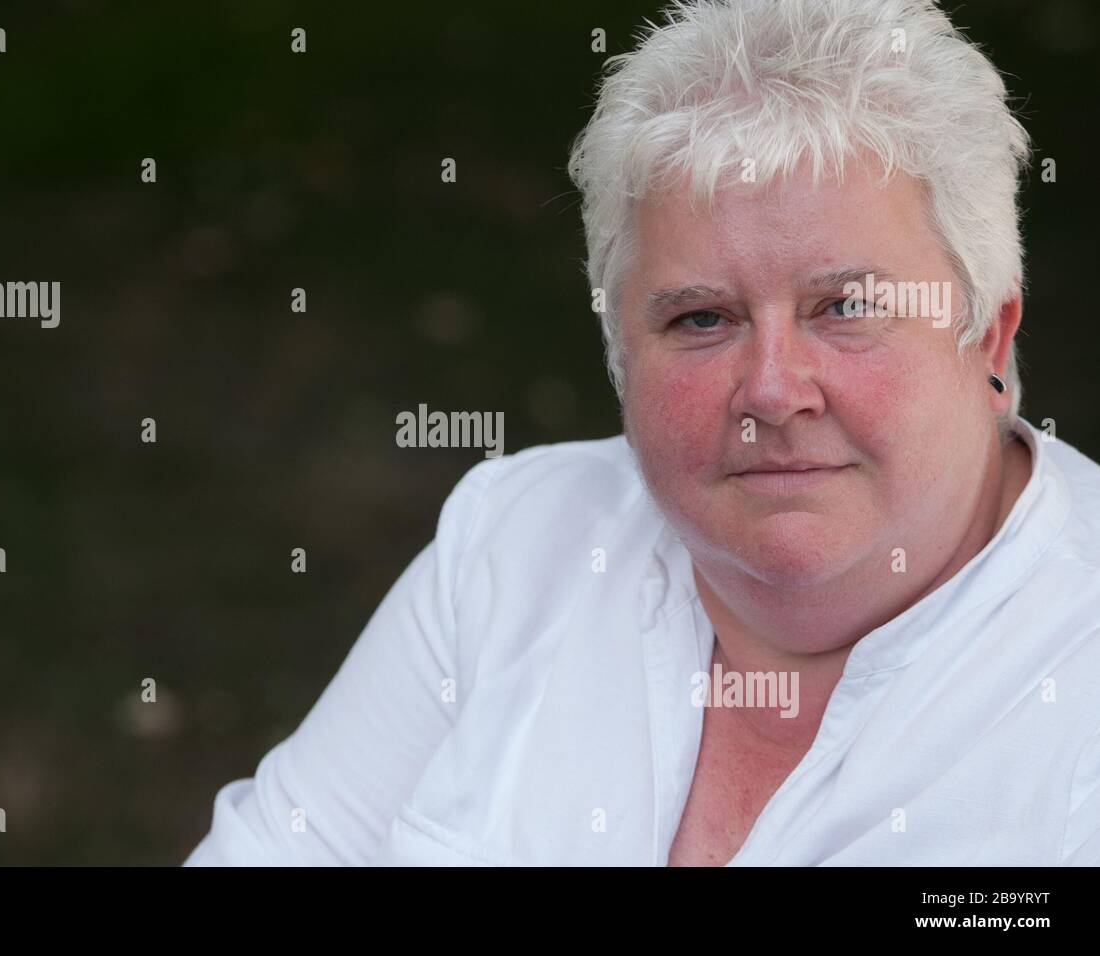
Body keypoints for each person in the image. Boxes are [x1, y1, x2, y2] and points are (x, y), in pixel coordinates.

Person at [185, 0, 1100, 866]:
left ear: (987, 332)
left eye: (846, 305)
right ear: (620, 347)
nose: (773, 391)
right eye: (702, 318)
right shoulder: (516, 544)